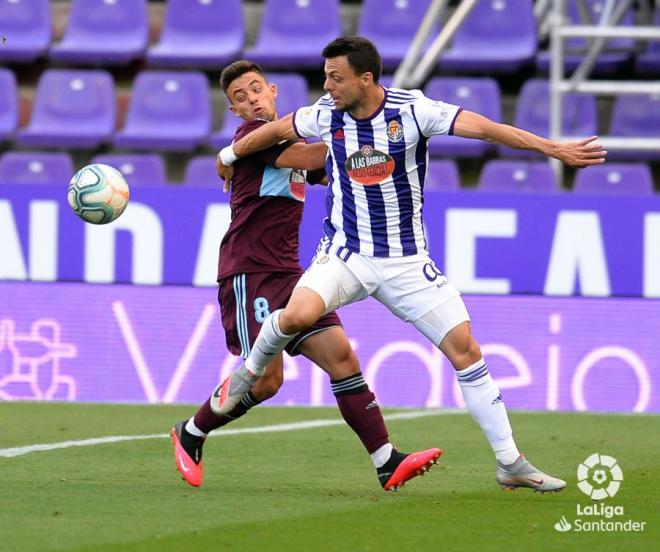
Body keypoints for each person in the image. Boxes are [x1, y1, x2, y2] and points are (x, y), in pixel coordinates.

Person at [214, 37, 608, 493]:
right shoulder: (326, 113)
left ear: (366, 79)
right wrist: (229, 154)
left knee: (467, 351)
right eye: (325, 76)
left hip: (406, 261)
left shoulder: (413, 110)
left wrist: (551, 148)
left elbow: (484, 128)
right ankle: (247, 375)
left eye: (335, 77)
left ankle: (510, 462)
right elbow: (277, 129)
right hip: (346, 254)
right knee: (299, 313)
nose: (327, 86)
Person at [171, 60, 441, 491]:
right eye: (240, 99)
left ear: (274, 92)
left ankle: (386, 462)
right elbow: (318, 155)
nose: (251, 100)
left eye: (256, 90)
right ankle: (191, 432)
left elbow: (339, 170)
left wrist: (391, 149)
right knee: (267, 380)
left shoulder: (285, 136)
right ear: (236, 114)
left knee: (342, 359)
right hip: (250, 272)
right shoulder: (250, 140)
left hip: (293, 274)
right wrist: (358, 126)